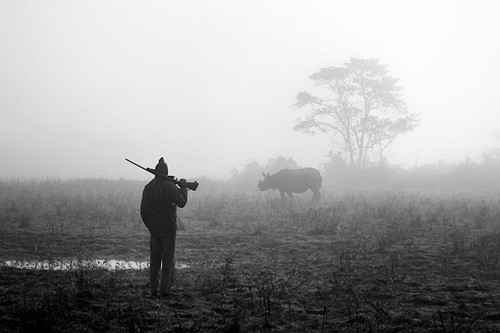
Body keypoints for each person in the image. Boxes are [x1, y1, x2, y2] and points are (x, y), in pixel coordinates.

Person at [140, 157, 188, 297]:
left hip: (155, 231)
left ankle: (154, 290)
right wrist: (183, 188)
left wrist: (151, 226)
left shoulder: (148, 187)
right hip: (168, 230)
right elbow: (182, 202)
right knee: (168, 261)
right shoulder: (169, 186)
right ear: (166, 172)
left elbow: (143, 211)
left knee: (154, 261)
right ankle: (165, 290)